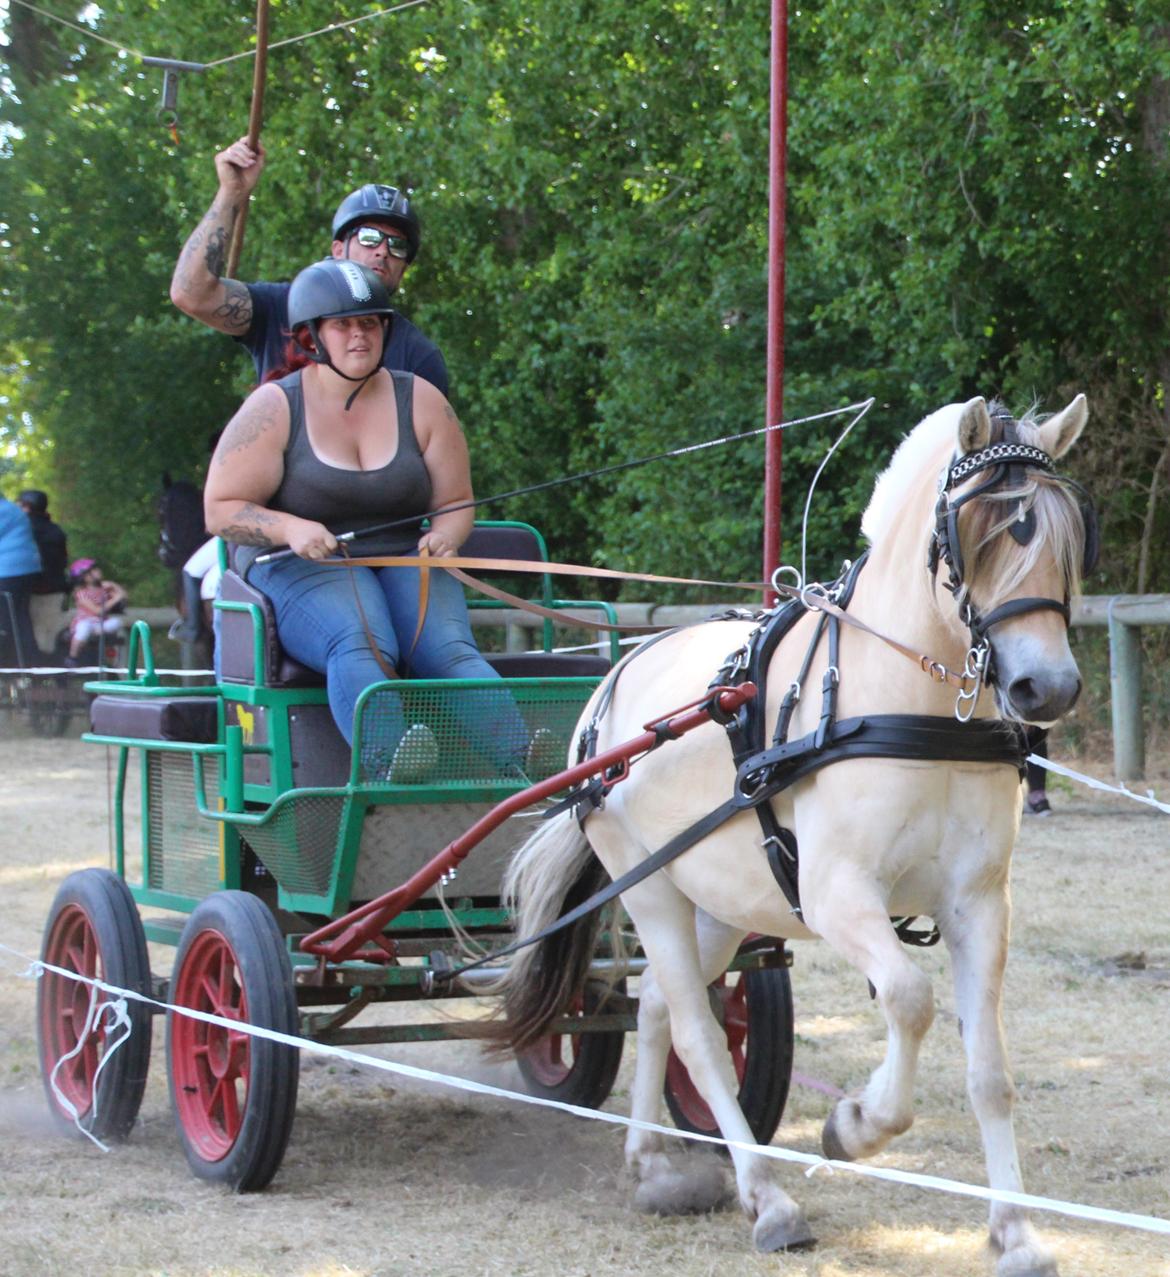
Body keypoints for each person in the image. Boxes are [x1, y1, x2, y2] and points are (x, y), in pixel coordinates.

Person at [203, 259, 535, 781]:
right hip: (295, 562)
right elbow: (219, 509)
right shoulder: (274, 407)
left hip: (402, 555)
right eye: (343, 325)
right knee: (361, 639)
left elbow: (456, 501)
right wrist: (291, 528)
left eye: (370, 323)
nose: (360, 335)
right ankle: (393, 765)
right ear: (312, 337)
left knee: (448, 650)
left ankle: (527, 766)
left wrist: (446, 536)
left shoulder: (422, 400)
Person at [169, 138, 448, 394]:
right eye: (369, 237)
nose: (383, 251)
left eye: (397, 245)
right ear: (337, 250)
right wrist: (232, 192)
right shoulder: (280, 307)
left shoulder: (419, 357)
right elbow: (191, 294)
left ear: (404, 268)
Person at [0, 495, 43, 665]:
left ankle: (9, 665)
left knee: (5, 620)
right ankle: (28, 666)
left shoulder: (3, 510)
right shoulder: (11, 508)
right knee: (19, 618)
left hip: (8, 571)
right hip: (25, 569)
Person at [66, 558, 127, 665]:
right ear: (85, 577)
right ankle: (72, 656)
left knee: (117, 622)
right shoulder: (81, 593)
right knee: (84, 628)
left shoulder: (103, 589)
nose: (98, 571)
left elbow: (123, 596)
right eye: (94, 570)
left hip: (100, 624)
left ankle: (109, 657)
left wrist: (113, 585)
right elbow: (97, 611)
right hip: (86, 622)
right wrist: (116, 598)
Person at [18, 490, 68, 594]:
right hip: (56, 586)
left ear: (27, 507)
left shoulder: (21, 530)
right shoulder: (55, 529)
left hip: (30, 588)